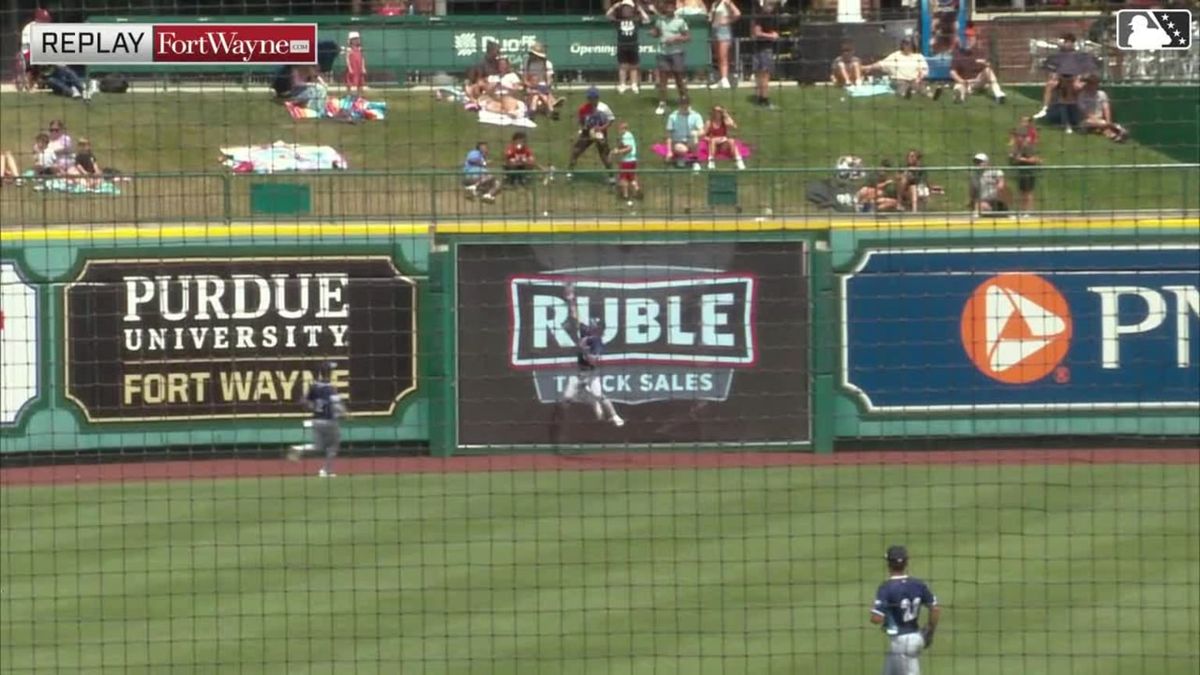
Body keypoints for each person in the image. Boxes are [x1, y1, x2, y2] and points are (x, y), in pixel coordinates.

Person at [554, 283, 625, 432]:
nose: (592, 327)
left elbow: (593, 360)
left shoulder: (597, 342)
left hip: (591, 375)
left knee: (600, 395)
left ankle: (614, 415)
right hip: (577, 374)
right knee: (566, 399)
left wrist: (582, 348)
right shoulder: (585, 331)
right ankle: (561, 424)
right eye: (592, 325)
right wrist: (571, 298)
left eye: (595, 326)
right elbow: (574, 316)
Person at [870, 545, 941, 675]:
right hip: (916, 638)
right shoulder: (918, 584)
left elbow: (876, 619)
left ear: (889, 564)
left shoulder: (886, 588)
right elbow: (935, 609)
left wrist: (884, 612)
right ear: (906, 563)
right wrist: (930, 631)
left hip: (901, 644)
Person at [293, 361, 347, 478]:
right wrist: (345, 413)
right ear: (329, 373)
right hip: (329, 420)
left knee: (318, 447)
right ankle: (326, 470)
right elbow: (336, 404)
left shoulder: (314, 386)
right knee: (333, 445)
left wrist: (312, 407)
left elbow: (303, 401)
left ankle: (299, 448)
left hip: (316, 420)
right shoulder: (330, 388)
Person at [1032, 34, 1097, 121]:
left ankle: (1082, 113)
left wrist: (1080, 79)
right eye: (1065, 42)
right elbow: (1053, 69)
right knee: (1050, 84)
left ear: (1073, 43)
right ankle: (1045, 108)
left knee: (1078, 87)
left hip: (1075, 79)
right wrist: (1054, 76)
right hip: (1061, 79)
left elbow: (1087, 70)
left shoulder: (1080, 55)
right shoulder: (1058, 55)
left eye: (1069, 42)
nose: (1067, 44)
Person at [651, 0, 691, 116]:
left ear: (674, 7)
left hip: (676, 52)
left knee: (679, 78)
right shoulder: (660, 20)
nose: (669, 8)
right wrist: (653, 33)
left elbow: (688, 37)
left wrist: (675, 39)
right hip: (662, 52)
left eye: (671, 6)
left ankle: (685, 102)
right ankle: (662, 103)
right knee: (663, 80)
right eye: (667, 6)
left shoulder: (680, 21)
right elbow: (657, 33)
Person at [567, 86, 616, 181]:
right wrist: (583, 128)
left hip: (600, 133)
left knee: (604, 155)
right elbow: (581, 120)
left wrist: (601, 129)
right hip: (587, 132)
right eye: (590, 98)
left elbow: (611, 120)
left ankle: (611, 176)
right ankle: (570, 172)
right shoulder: (583, 109)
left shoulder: (604, 108)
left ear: (598, 97)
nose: (592, 100)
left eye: (594, 98)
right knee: (576, 151)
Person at [865, 38, 940, 100]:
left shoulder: (918, 56)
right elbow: (882, 64)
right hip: (900, 79)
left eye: (908, 44)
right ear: (902, 45)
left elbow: (924, 69)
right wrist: (868, 67)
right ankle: (905, 95)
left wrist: (919, 77)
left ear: (912, 45)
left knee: (921, 88)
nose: (907, 46)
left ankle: (932, 96)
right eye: (905, 44)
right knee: (901, 87)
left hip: (914, 79)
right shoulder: (896, 55)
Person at [608, 0, 651, 94]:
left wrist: (640, 9)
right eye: (624, 8)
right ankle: (622, 84)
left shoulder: (636, 20)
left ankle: (634, 84)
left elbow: (647, 19)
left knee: (633, 66)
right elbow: (608, 15)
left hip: (633, 45)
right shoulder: (618, 20)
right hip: (622, 45)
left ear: (632, 10)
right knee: (623, 66)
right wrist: (615, 6)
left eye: (628, 8)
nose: (626, 10)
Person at [949, 33, 1005, 104]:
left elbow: (988, 66)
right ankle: (960, 97)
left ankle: (999, 94)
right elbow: (952, 72)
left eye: (971, 39)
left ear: (975, 41)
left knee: (988, 70)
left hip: (977, 81)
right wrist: (961, 81)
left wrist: (985, 63)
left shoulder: (979, 52)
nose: (969, 41)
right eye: (967, 39)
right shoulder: (957, 54)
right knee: (958, 88)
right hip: (964, 81)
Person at [1077, 74, 1129, 142]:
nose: (1090, 85)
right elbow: (1086, 113)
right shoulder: (1082, 96)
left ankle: (1114, 137)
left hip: (1101, 120)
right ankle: (1118, 129)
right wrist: (1103, 122)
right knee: (1094, 124)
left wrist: (1108, 121)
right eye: (1089, 83)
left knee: (1101, 128)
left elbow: (1106, 108)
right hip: (1087, 120)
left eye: (1092, 83)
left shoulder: (1101, 94)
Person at [750, 0, 782, 109]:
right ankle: (764, 100)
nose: (772, 7)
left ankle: (760, 98)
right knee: (764, 75)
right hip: (764, 49)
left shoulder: (765, 16)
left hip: (760, 48)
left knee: (760, 75)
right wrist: (771, 36)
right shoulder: (761, 16)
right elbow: (756, 33)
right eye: (770, 4)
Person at [1008, 118, 1041, 213]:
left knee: (1028, 192)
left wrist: (1022, 159)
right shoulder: (1015, 148)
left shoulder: (1028, 147)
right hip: (1020, 172)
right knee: (1021, 191)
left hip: (1029, 172)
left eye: (1019, 136)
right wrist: (1011, 157)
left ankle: (1029, 211)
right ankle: (1022, 210)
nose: (1017, 138)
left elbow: (1036, 159)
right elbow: (1012, 159)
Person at [665, 97, 705, 171]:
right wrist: (669, 151)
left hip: (690, 141)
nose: (685, 106)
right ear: (679, 105)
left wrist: (696, 133)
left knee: (694, 137)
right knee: (683, 150)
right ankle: (680, 157)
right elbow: (669, 135)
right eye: (683, 104)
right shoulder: (672, 117)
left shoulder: (696, 115)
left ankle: (695, 161)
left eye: (687, 103)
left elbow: (702, 131)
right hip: (678, 142)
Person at [17, 8, 51, 93]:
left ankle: (41, 80)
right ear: (38, 20)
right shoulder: (28, 28)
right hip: (27, 53)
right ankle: (27, 82)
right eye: (44, 21)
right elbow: (25, 47)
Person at [522, 43, 560, 118]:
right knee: (538, 94)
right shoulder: (526, 63)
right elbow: (524, 80)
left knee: (538, 94)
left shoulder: (547, 64)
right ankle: (551, 108)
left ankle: (532, 111)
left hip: (543, 87)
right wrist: (531, 85)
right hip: (530, 87)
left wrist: (545, 87)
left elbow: (549, 80)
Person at [708, 0, 741, 89]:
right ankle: (721, 79)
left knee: (724, 56)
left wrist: (728, 20)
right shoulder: (714, 4)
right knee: (718, 56)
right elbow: (711, 18)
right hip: (714, 29)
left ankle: (725, 79)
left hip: (724, 29)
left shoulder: (726, 1)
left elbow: (737, 13)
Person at [610, 120, 642, 205]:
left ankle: (625, 196)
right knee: (631, 178)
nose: (619, 131)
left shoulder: (626, 136)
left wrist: (618, 152)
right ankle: (637, 189)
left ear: (623, 129)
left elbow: (629, 148)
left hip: (627, 161)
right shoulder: (630, 135)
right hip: (633, 160)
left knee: (623, 179)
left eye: (620, 129)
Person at [704, 105, 745, 170]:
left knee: (731, 141)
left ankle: (739, 161)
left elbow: (734, 126)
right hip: (712, 145)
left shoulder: (724, 122)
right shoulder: (709, 122)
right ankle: (711, 162)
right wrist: (712, 139)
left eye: (719, 111)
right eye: (715, 111)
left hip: (723, 144)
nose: (717, 113)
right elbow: (703, 136)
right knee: (713, 141)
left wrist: (726, 115)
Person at [343, 31, 366, 96]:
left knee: (360, 83)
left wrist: (363, 67)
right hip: (352, 68)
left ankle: (359, 97)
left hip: (359, 68)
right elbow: (347, 59)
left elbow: (362, 58)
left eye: (357, 39)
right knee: (350, 83)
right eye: (355, 39)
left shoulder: (360, 49)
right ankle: (349, 96)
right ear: (351, 40)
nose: (357, 40)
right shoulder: (349, 49)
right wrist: (350, 68)